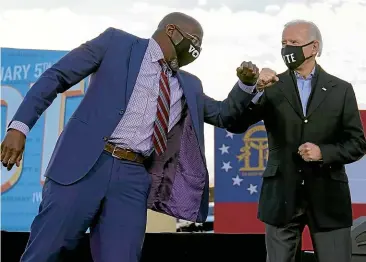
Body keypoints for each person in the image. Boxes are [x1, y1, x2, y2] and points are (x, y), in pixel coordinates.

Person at [0, 12, 270, 262]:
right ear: (172, 30)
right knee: (45, 251)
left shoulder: (189, 84)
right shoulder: (115, 43)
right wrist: (19, 127)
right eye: (194, 42)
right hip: (84, 165)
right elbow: (57, 76)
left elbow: (226, 116)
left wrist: (246, 85)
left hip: (133, 177)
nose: (196, 51)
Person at [227, 19, 366, 262]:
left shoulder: (341, 89)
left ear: (314, 48)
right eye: (284, 43)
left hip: (328, 199)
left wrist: (323, 152)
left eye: (294, 42)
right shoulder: (270, 86)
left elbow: (357, 143)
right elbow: (236, 123)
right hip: (281, 198)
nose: (286, 48)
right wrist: (255, 88)